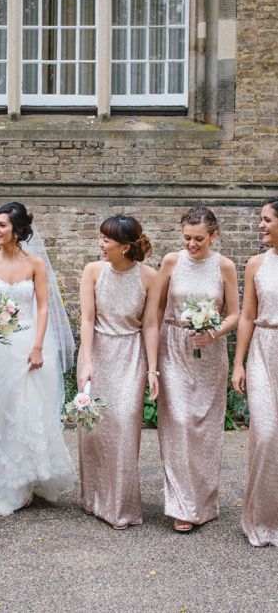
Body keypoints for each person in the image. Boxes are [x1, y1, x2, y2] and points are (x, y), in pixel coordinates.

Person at [0, 202, 76, 517]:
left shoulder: (35, 264)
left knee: (25, 412)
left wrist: (39, 345)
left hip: (28, 344)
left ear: (17, 229)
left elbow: (43, 307)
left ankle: (22, 481)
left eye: (2, 225)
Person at [157, 207, 239, 532]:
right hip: (174, 347)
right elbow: (158, 306)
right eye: (187, 238)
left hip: (210, 351)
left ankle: (203, 502)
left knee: (204, 428)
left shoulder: (226, 267)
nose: (192, 245)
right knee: (178, 422)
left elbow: (234, 313)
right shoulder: (170, 262)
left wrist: (213, 332)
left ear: (214, 236)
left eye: (199, 239)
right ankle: (182, 505)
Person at [77, 215, 160, 529]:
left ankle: (120, 506)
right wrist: (86, 361)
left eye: (106, 240)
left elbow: (150, 325)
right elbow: (86, 319)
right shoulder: (92, 271)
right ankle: (94, 500)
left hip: (130, 355)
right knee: (95, 430)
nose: (101, 244)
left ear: (126, 247)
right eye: (101, 238)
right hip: (97, 351)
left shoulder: (150, 276)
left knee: (125, 427)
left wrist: (153, 370)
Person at [232, 198, 278, 547]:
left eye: (266, 220)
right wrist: (239, 362)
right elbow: (247, 315)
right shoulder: (256, 264)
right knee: (263, 435)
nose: (260, 226)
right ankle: (260, 519)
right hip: (263, 349)